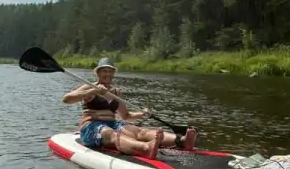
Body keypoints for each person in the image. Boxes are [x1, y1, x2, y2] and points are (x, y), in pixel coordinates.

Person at [62, 57, 197, 157]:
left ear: (113, 73)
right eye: (104, 71)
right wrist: (93, 91)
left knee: (140, 132)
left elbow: (126, 116)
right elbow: (67, 99)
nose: (108, 74)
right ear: (97, 73)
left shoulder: (117, 92)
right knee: (111, 134)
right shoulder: (89, 86)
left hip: (112, 123)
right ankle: (145, 148)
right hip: (91, 127)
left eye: (110, 71)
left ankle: (181, 141)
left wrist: (142, 114)